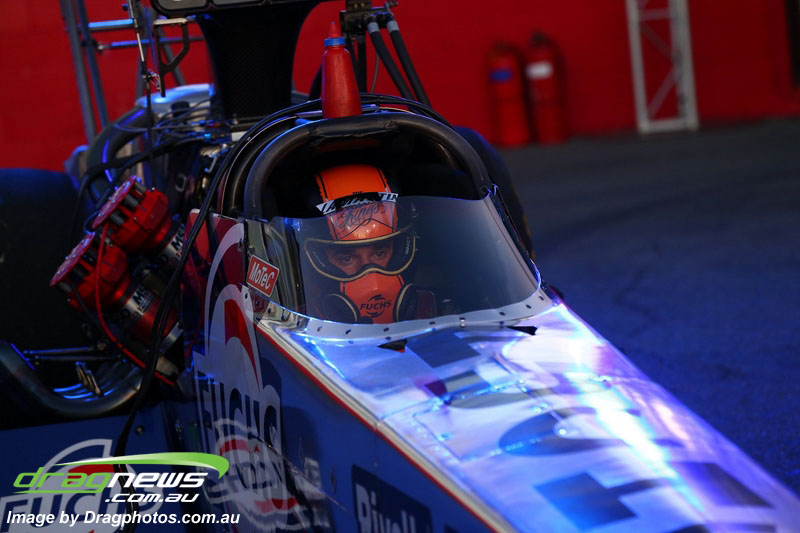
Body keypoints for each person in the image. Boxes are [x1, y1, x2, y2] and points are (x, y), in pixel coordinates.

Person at [302, 163, 419, 324]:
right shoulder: (287, 329)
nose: (372, 280)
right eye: (347, 258)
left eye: (379, 253)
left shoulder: (435, 313)